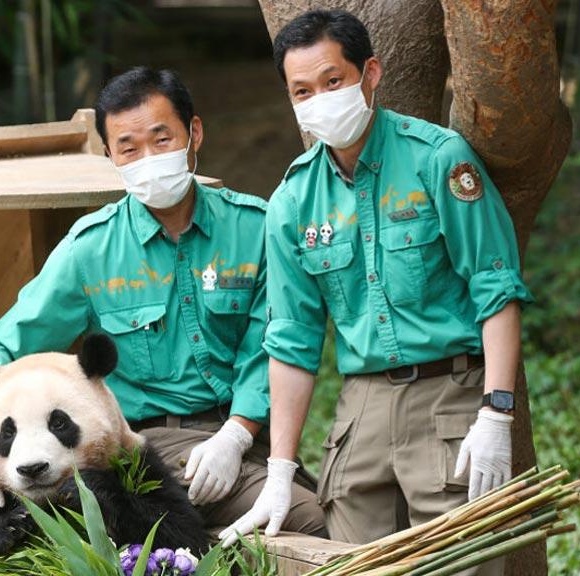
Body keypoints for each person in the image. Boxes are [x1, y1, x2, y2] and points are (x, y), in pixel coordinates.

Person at [220, 10, 532, 572]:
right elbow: (292, 340)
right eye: (302, 91)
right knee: (351, 563)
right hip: (360, 406)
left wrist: (497, 412)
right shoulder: (292, 201)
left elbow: (496, 288)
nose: (319, 100)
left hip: (449, 391)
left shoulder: (438, 159)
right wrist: (281, 471)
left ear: (370, 73)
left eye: (332, 81)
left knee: (460, 561)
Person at [0, 66, 326, 537]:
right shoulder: (91, 248)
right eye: (129, 148)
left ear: (194, 133)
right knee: (310, 520)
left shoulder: (256, 227)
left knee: (320, 507)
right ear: (110, 155)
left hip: (246, 436)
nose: (148, 157)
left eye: (161, 139)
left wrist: (235, 434)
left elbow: (271, 344)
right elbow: (6, 344)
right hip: (146, 445)